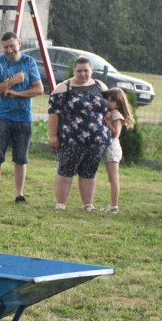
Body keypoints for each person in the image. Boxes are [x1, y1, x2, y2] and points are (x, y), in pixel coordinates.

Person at [0, 32, 43, 204]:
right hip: (1, 116)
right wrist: (13, 81)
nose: (9, 50)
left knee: (21, 158)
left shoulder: (29, 63)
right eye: (6, 47)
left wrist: (17, 93)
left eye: (12, 46)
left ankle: (20, 194)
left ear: (19, 43)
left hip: (24, 118)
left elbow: (39, 90)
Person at [48, 57, 111, 212]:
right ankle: (61, 203)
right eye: (79, 71)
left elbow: (110, 108)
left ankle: (88, 204)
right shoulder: (62, 89)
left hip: (97, 140)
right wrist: (53, 135)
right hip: (71, 140)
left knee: (89, 172)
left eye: (86, 71)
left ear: (91, 71)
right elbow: (53, 114)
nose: (83, 74)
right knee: (66, 170)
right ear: (74, 71)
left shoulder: (100, 86)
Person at [101, 87, 135, 213]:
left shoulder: (115, 115)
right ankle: (112, 205)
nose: (108, 102)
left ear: (118, 103)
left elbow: (115, 133)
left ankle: (114, 206)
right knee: (111, 178)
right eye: (107, 99)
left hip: (112, 148)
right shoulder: (113, 113)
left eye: (112, 100)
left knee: (114, 178)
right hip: (110, 148)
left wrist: (108, 121)